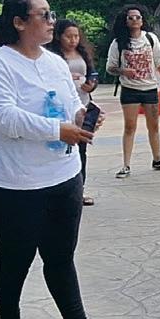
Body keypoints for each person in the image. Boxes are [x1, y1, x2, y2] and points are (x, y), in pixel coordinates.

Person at [0, 0, 126, 319]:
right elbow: (3, 118)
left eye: (51, 13)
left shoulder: (56, 62)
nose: (51, 21)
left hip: (64, 176)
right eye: (43, 15)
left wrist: (82, 116)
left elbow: (71, 103)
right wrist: (58, 130)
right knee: (16, 257)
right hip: (15, 182)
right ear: (19, 22)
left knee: (61, 256)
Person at [105, 4, 160, 177]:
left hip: (150, 87)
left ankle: (157, 159)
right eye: (131, 18)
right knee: (130, 126)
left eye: (138, 17)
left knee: (154, 126)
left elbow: (159, 61)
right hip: (130, 89)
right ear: (125, 21)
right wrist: (123, 71)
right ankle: (126, 164)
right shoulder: (118, 43)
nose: (135, 20)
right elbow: (110, 67)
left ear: (142, 21)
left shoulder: (150, 38)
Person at [50, 18, 100, 205]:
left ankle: (79, 189)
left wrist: (91, 85)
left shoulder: (82, 53)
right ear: (59, 37)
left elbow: (93, 74)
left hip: (83, 104)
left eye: (76, 36)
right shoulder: (52, 56)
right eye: (68, 37)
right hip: (61, 108)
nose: (73, 40)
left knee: (81, 148)